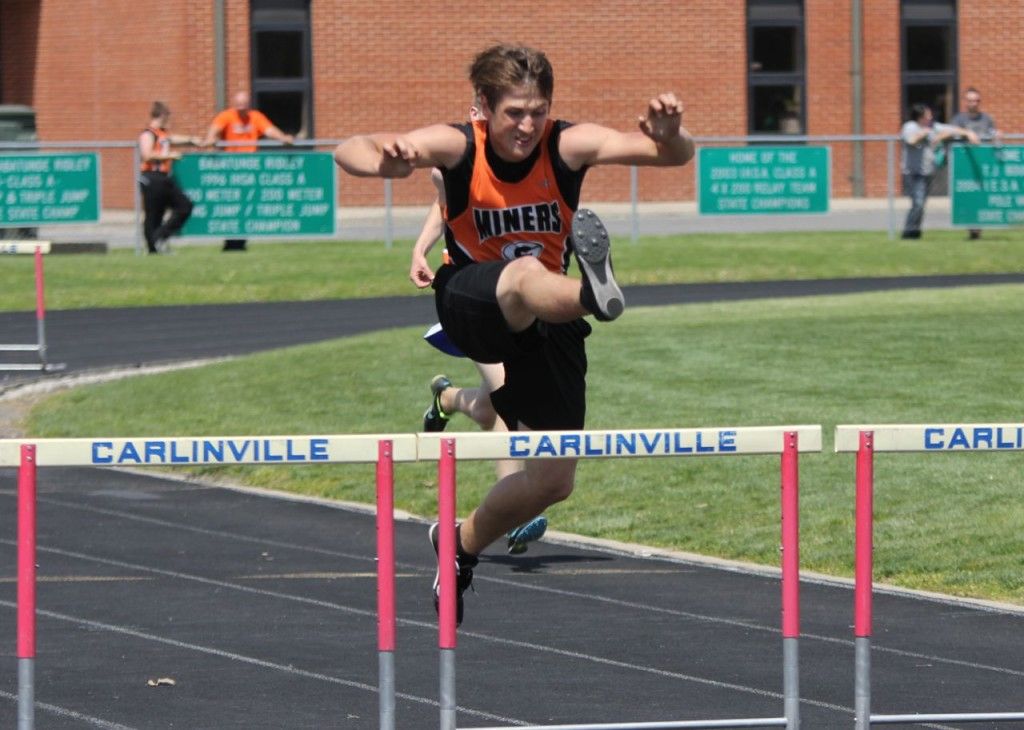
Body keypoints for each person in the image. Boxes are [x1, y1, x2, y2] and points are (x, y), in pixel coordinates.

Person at [336, 43, 694, 624]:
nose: (527, 126)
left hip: (545, 322)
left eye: (537, 111)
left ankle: (458, 543)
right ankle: (592, 293)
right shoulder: (460, 144)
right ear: (484, 106)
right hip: (471, 299)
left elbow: (672, 156)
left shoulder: (566, 144)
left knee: (553, 478)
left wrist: (673, 133)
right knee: (523, 276)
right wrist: (386, 161)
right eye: (514, 114)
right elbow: (346, 150)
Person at [412, 101, 549, 555]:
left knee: (492, 411)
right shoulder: (460, 156)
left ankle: (447, 397)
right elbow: (444, 201)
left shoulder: (532, 161)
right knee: (509, 398)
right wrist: (421, 249)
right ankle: (515, 512)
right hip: (472, 301)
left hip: (514, 303)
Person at [201, 91, 295, 251]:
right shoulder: (226, 116)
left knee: (246, 203)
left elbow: (269, 130)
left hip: (250, 166)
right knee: (232, 204)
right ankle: (230, 242)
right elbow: (214, 129)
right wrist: (210, 142)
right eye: (239, 107)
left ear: (248, 105)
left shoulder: (255, 116)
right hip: (231, 166)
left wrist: (282, 138)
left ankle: (240, 242)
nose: (241, 110)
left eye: (244, 107)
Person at [900, 103, 978, 240]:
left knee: (920, 204)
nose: (930, 116)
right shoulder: (910, 127)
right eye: (927, 114)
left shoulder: (933, 127)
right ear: (920, 116)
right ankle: (909, 232)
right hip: (913, 173)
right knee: (917, 203)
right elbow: (911, 140)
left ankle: (914, 232)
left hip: (927, 172)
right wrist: (924, 133)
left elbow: (951, 129)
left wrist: (967, 133)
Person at [137, 101, 201, 254]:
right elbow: (147, 155)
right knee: (153, 214)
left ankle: (160, 237)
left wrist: (192, 140)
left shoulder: (162, 133)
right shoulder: (148, 134)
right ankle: (153, 248)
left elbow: (172, 139)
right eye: (168, 116)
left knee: (185, 206)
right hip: (152, 178)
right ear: (162, 115)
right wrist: (170, 155)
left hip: (164, 177)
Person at [951, 87, 1001, 240]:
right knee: (968, 195)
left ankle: (977, 229)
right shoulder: (959, 119)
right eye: (971, 100)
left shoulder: (987, 119)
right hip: (965, 163)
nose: (974, 103)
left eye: (977, 100)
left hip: (983, 164)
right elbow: (951, 133)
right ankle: (972, 228)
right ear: (965, 102)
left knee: (981, 195)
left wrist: (997, 136)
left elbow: (992, 134)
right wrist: (966, 133)